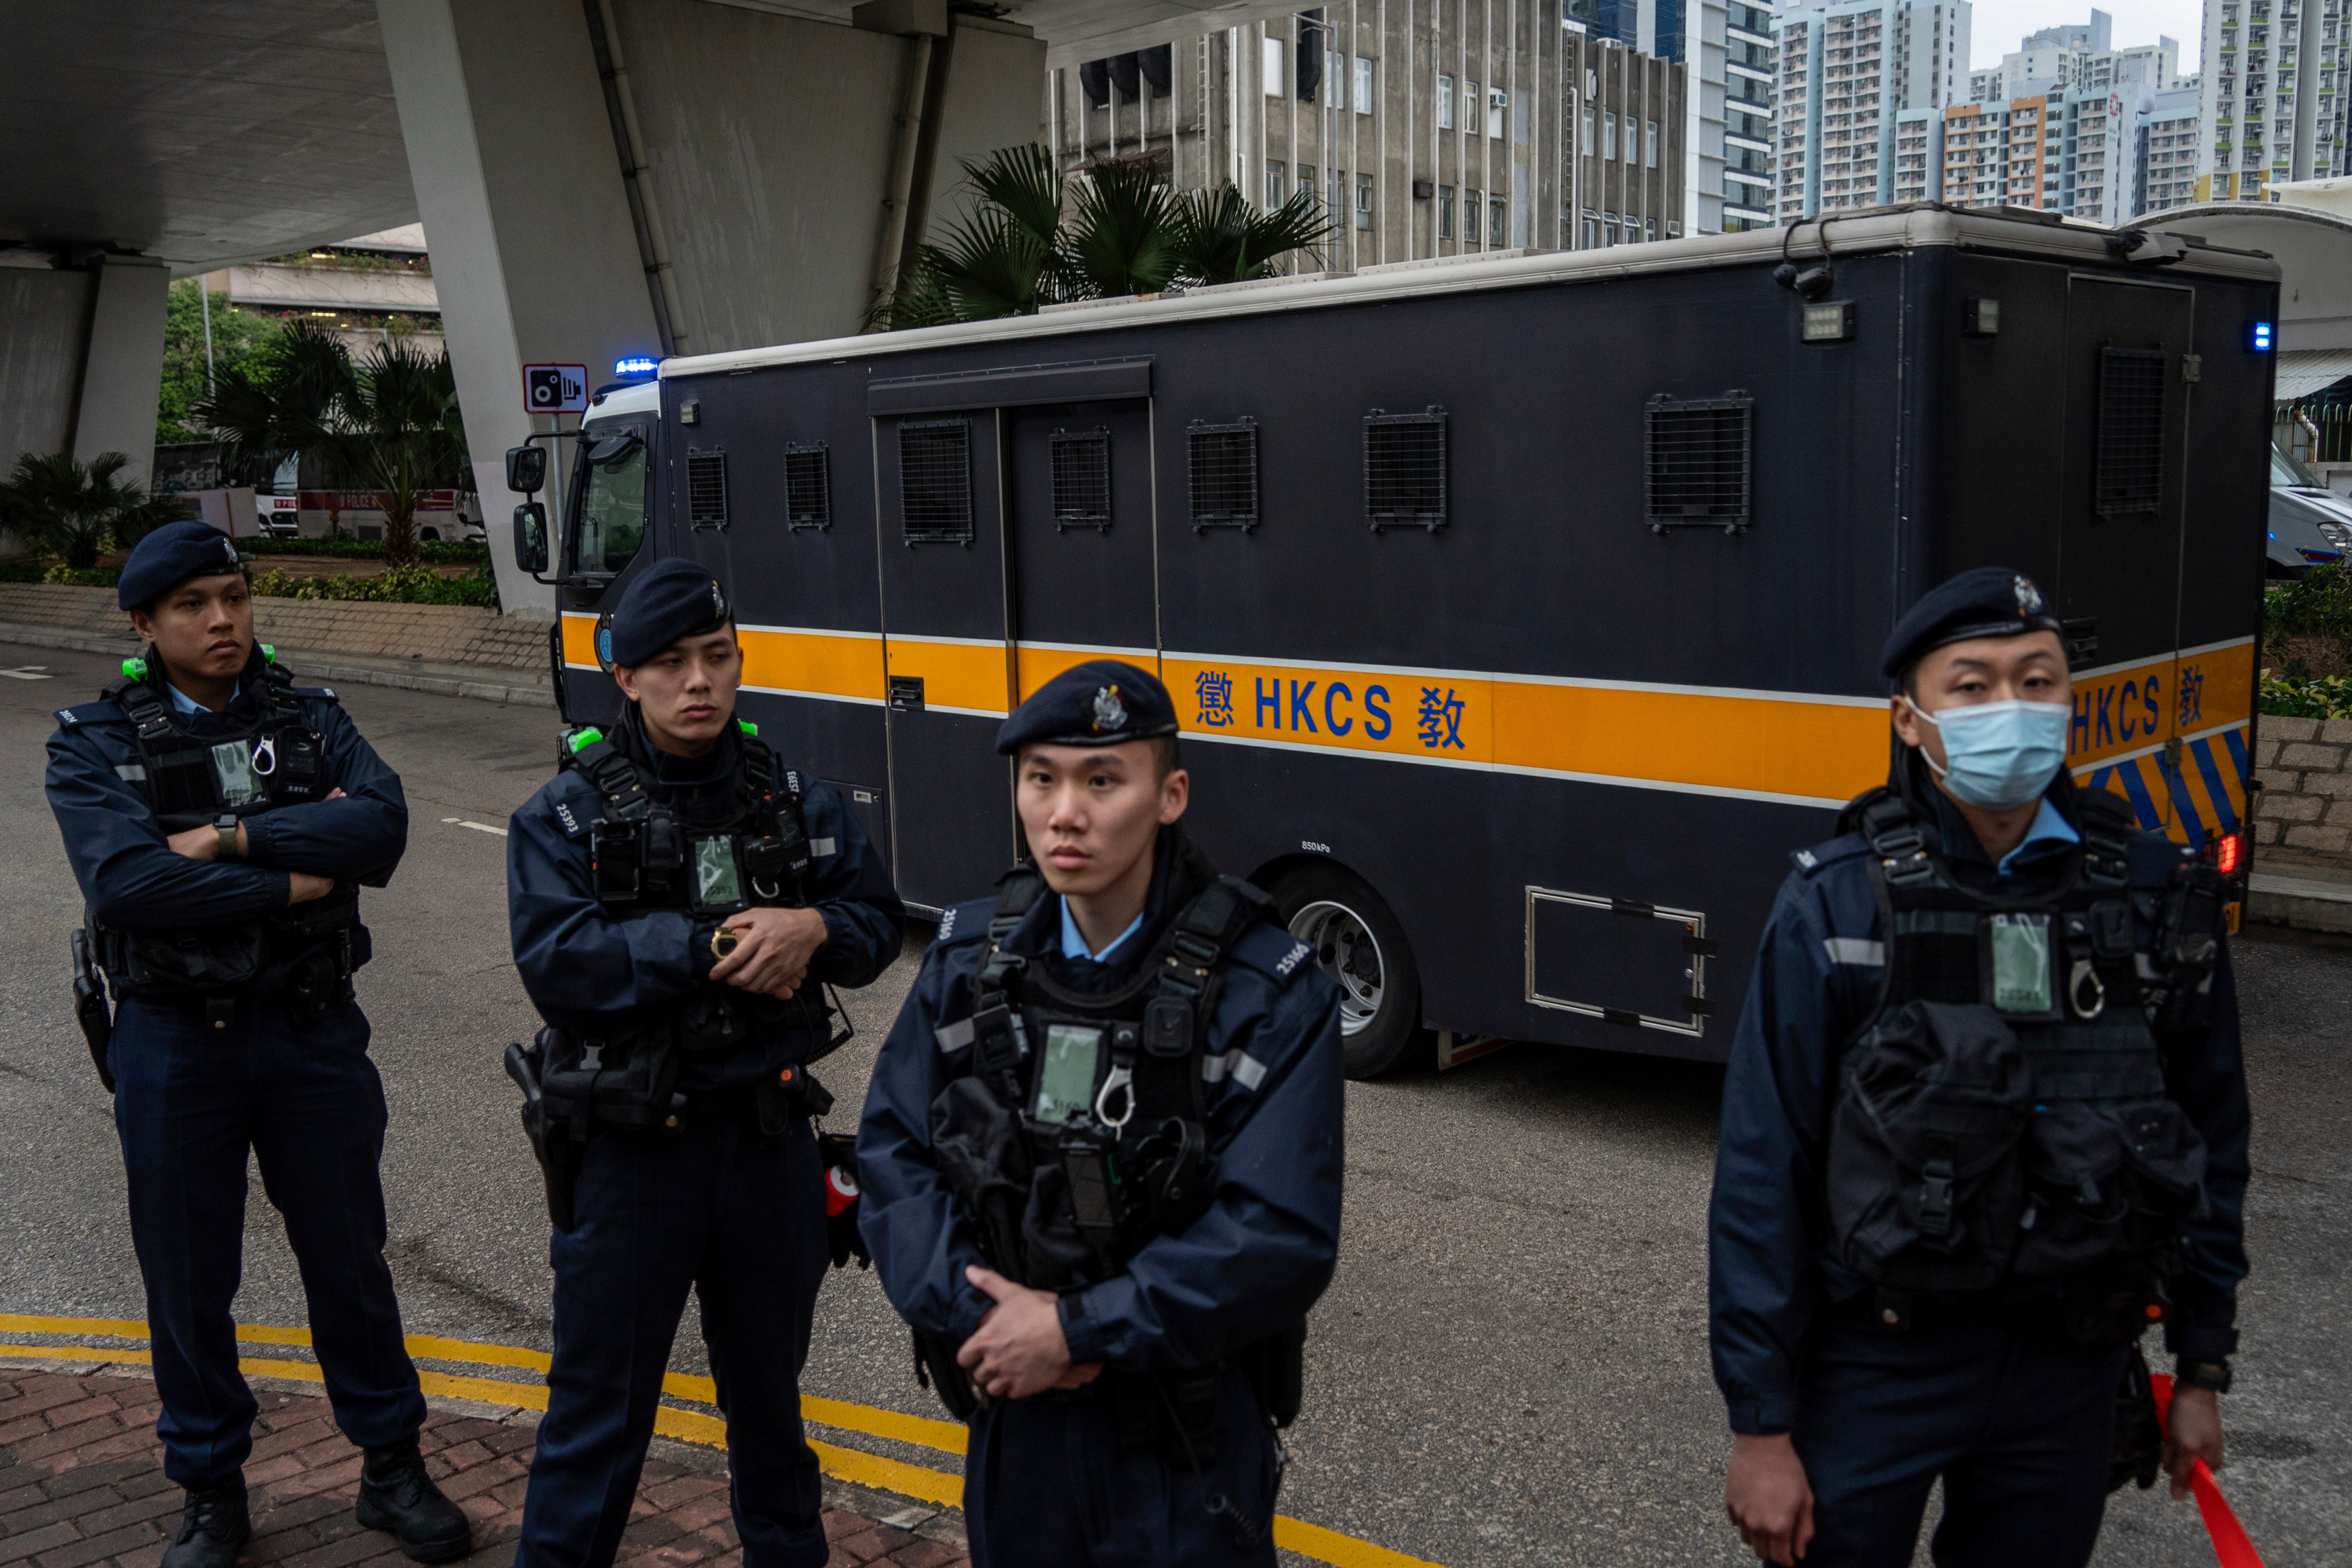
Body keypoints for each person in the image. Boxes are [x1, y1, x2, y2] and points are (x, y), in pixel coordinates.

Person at [1709, 567, 2250, 1567]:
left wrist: (2201, 1364)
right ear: (1909, 720)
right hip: (1879, 1356)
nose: (2012, 706)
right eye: (1972, 683)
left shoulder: (2150, 897)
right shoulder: (1838, 904)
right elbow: (1761, 1168)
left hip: (2071, 1362)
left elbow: (2212, 1136)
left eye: (2037, 680)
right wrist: (1760, 1425)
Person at [45, 521, 469, 1568]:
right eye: (192, 604)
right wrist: (292, 874)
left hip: (310, 1029)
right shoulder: (95, 740)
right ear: (144, 623)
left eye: (233, 595)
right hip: (174, 1042)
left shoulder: (312, 719)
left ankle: (391, 1467)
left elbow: (380, 830)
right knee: (187, 1279)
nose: (223, 619)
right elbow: (131, 884)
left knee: (349, 1260)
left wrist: (229, 837)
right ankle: (211, 1490)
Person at [857, 660, 1346, 1568]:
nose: (1064, 812)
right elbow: (894, 1156)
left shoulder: (1266, 992)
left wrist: (1080, 1329)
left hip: (1180, 1437)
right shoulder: (968, 963)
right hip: (1016, 1419)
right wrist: (992, 1321)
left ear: (1170, 795)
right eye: (1041, 777)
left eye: (1102, 779)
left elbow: (1277, 1231)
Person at [504, 558, 904, 1568]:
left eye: (717, 657)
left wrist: (812, 923)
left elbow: (873, 924)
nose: (700, 682)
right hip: (637, 1153)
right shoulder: (564, 815)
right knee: (598, 1419)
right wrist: (711, 946)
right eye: (672, 663)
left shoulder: (795, 795)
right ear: (625, 676)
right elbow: (561, 965)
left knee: (771, 1406)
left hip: (768, 1144)